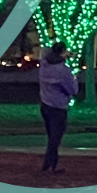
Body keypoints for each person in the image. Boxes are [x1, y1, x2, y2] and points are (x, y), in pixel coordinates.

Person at [39, 42, 78, 174]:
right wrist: (74, 76)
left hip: (45, 104)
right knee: (55, 138)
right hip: (58, 106)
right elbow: (72, 90)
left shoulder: (44, 65)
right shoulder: (63, 70)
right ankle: (49, 165)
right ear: (63, 51)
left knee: (51, 136)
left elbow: (45, 53)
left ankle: (51, 164)